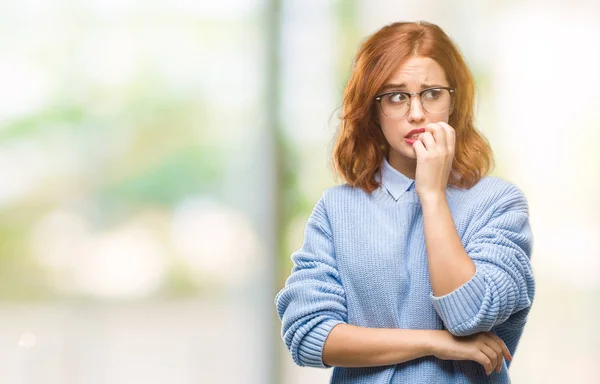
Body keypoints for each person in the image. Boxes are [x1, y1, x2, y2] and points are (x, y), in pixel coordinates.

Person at [274, 20, 535, 384]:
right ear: (373, 110)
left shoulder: (498, 204)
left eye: (431, 93)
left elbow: (471, 314)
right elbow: (308, 336)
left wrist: (432, 194)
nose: (416, 113)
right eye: (396, 96)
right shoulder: (337, 210)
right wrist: (434, 343)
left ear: (453, 102)